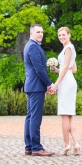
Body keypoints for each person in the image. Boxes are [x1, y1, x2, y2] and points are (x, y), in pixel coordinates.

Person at [23, 23, 56, 157]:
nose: (41, 34)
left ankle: (29, 146)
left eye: (42, 32)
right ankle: (36, 147)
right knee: (35, 117)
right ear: (31, 33)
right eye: (38, 32)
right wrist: (49, 84)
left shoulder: (30, 46)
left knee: (30, 117)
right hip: (36, 86)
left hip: (32, 85)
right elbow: (39, 69)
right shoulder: (33, 47)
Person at [52, 26, 80, 155]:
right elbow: (72, 69)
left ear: (69, 34)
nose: (61, 37)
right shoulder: (69, 48)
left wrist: (56, 84)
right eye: (59, 36)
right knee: (69, 115)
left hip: (65, 83)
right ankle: (76, 144)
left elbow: (66, 69)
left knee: (64, 115)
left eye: (63, 35)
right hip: (69, 80)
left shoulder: (68, 48)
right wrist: (56, 70)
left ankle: (66, 144)